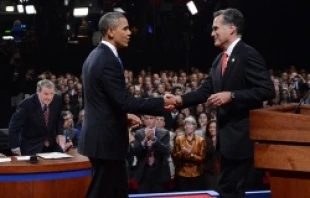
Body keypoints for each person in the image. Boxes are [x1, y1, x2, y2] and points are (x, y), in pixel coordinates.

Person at [165, 8, 275, 198]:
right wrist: (179, 100)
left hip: (241, 140)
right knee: (228, 190)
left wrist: (232, 95)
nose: (212, 33)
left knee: (229, 191)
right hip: (225, 142)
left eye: (216, 28)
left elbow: (267, 90)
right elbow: (205, 91)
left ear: (231, 28)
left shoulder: (248, 54)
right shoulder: (219, 59)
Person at [78, 12, 174, 198]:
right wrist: (161, 101)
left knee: (118, 190)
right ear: (111, 31)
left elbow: (101, 101)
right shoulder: (107, 60)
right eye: (125, 28)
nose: (130, 32)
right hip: (106, 142)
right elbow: (124, 101)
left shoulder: (95, 55)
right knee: (101, 192)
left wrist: (122, 116)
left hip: (103, 138)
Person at [8, 79, 65, 156]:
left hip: (52, 145)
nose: (49, 97)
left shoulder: (57, 99)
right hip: (32, 146)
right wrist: (15, 147)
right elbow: (13, 127)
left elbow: (59, 118)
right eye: (46, 94)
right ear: (38, 91)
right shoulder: (26, 104)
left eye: (51, 93)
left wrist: (60, 134)